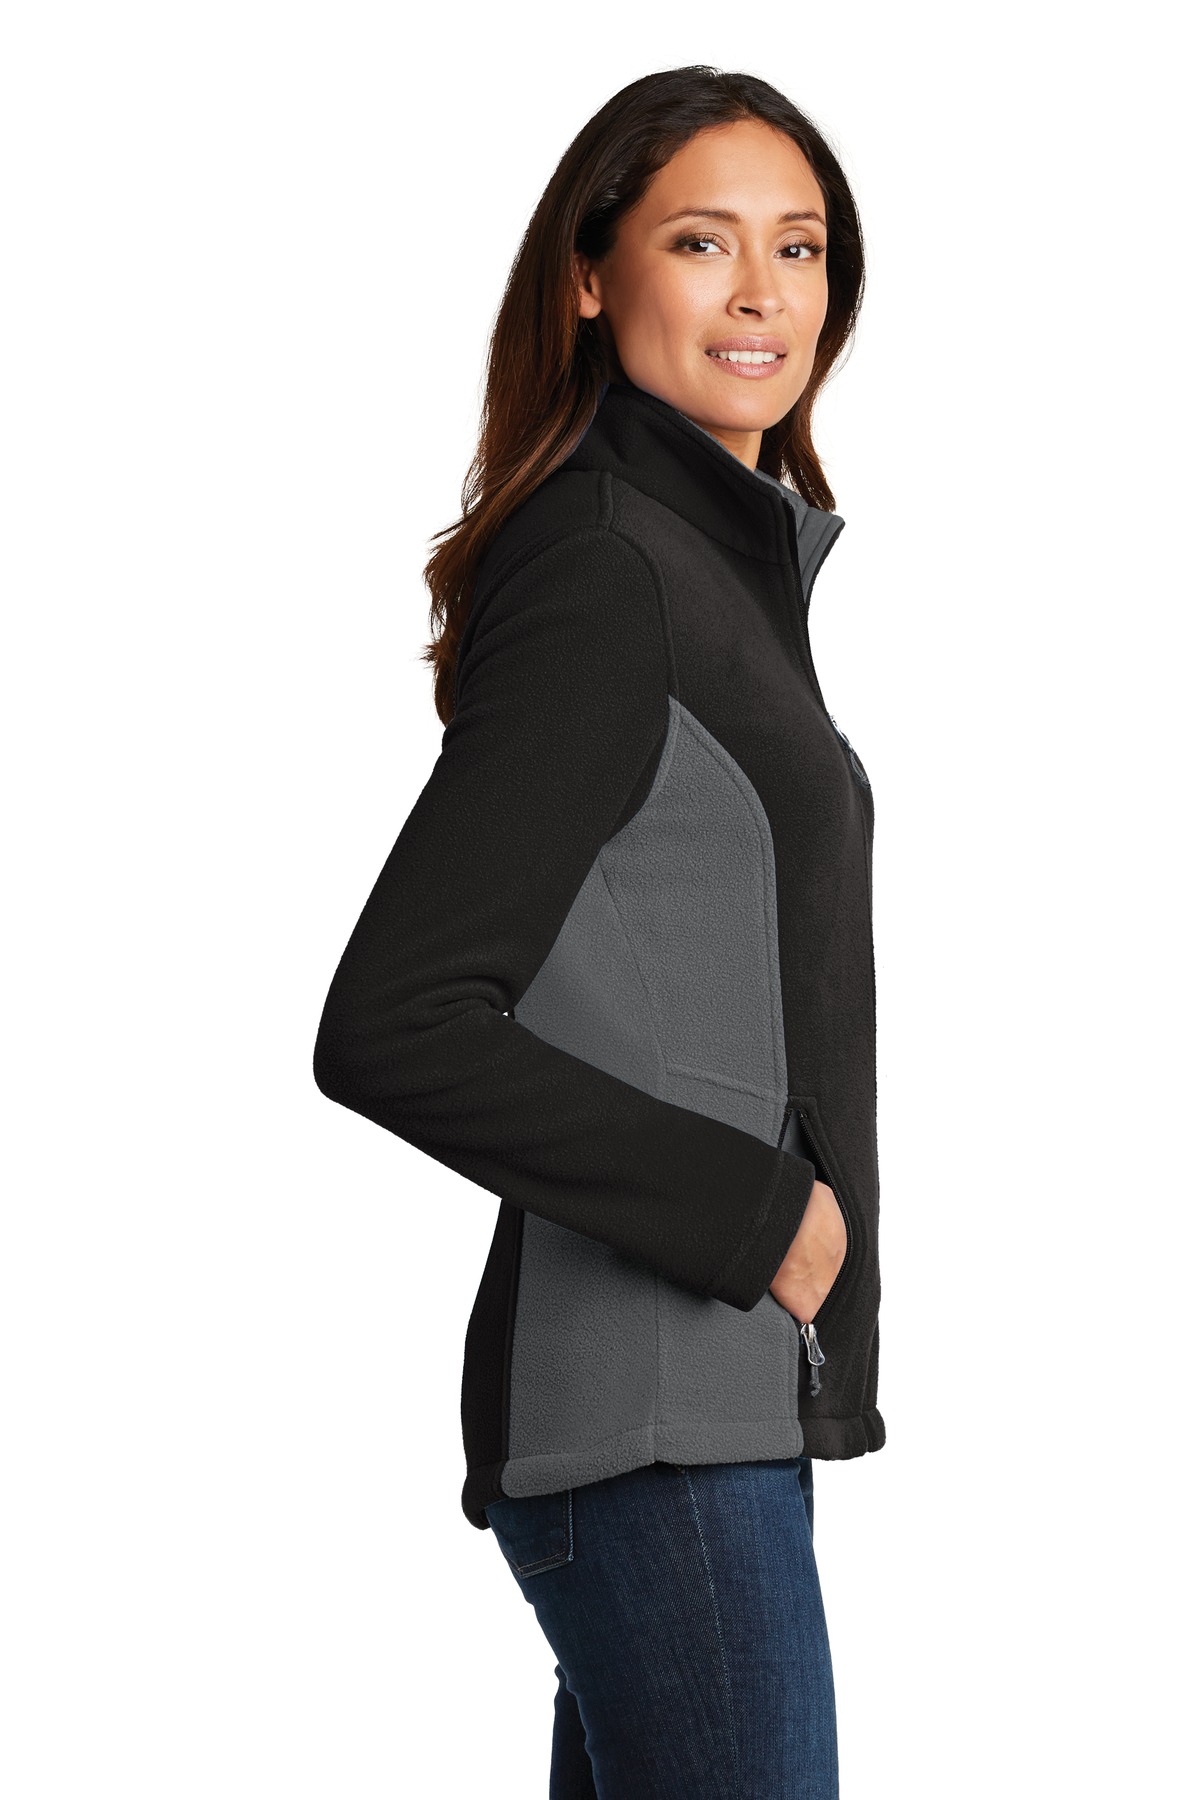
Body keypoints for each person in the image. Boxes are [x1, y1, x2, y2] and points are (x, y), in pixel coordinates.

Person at [313, 65, 883, 1800]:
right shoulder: (608, 569)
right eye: (702, 242)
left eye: (799, 248)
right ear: (588, 272)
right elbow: (398, 1019)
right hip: (655, 1427)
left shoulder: (712, 571)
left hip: (705, 1417)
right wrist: (756, 1215)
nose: (762, 293)